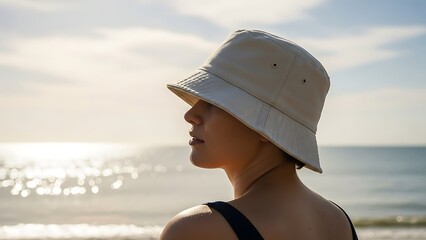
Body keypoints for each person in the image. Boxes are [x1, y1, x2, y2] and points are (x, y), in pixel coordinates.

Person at [160, 29, 358, 240]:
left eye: (212, 103)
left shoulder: (194, 231)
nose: (190, 115)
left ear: (266, 128)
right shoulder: (338, 222)